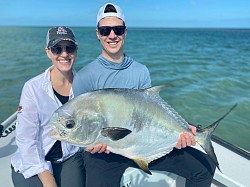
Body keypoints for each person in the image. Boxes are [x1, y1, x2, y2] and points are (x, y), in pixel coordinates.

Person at [73, 3, 216, 187]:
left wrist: (181, 130)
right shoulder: (85, 77)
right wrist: (89, 146)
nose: (112, 35)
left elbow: (151, 113)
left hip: (142, 145)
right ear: (97, 34)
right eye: (105, 30)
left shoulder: (140, 71)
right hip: (104, 154)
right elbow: (79, 128)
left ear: (125, 32)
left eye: (118, 29)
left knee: (205, 168)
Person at [11, 26, 85, 187]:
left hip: (69, 158)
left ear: (76, 50)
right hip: (34, 160)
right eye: (57, 49)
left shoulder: (84, 86)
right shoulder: (32, 88)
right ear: (48, 52)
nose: (64, 54)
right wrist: (47, 179)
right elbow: (26, 140)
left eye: (69, 48)